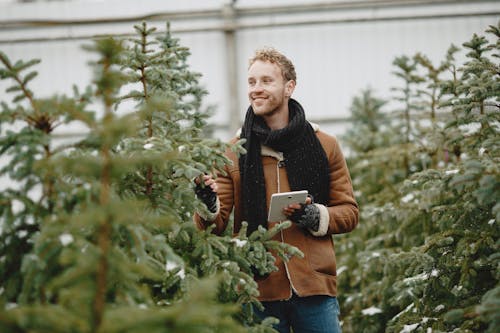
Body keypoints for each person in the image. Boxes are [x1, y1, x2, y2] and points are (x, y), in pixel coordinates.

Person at [194, 47, 358, 333]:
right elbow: (214, 226)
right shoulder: (234, 152)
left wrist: (316, 217)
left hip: (314, 287)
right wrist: (208, 203)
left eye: (267, 81)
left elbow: (349, 212)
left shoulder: (324, 144)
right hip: (258, 289)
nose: (256, 89)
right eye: (252, 82)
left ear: (289, 87)